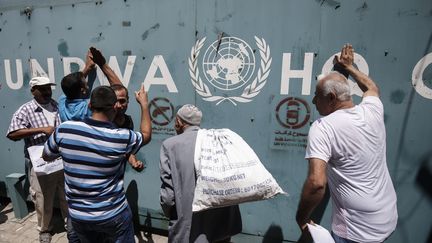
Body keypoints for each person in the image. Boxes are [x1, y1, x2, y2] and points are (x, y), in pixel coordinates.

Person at [296, 44, 398, 243]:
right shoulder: (372, 110)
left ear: (332, 98)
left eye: (317, 95)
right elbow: (371, 88)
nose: (314, 100)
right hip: (387, 218)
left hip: (356, 231)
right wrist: (349, 67)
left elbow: (317, 183)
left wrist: (301, 217)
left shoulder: (323, 127)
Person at [42, 84, 152, 242]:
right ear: (114, 106)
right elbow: (146, 135)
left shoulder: (64, 129)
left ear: (89, 105)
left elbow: (46, 155)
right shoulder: (121, 137)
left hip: (78, 216)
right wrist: (144, 104)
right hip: (113, 215)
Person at [160, 104, 242, 243]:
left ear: (179, 122)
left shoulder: (170, 145)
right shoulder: (217, 141)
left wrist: (172, 213)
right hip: (220, 228)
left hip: (188, 229)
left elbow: (168, 196)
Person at [6, 77, 68, 243]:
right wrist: (40, 129)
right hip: (41, 164)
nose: (47, 92)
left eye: (49, 88)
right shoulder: (25, 110)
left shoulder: (56, 105)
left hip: (61, 159)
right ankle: (45, 229)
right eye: (42, 89)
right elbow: (12, 134)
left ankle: (69, 224)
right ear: (33, 91)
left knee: (66, 195)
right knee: (42, 199)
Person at [58, 47, 122, 122]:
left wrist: (88, 68)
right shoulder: (87, 109)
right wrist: (102, 64)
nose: (87, 85)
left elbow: (72, 85)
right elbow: (120, 89)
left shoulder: (62, 102)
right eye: (86, 84)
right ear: (83, 90)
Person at [111, 84, 144, 171]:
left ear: (128, 101)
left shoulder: (128, 121)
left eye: (122, 101)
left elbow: (127, 150)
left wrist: (134, 162)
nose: (118, 105)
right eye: (115, 101)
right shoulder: (104, 121)